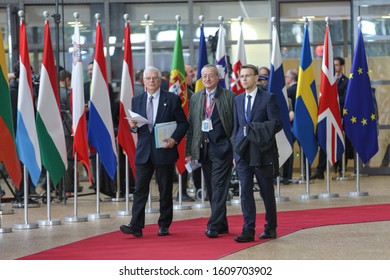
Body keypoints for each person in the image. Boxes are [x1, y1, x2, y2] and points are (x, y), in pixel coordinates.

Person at [120, 66, 188, 237]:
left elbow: (183, 124)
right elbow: (136, 127)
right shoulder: (137, 100)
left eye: (154, 78)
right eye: (148, 78)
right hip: (144, 152)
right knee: (140, 189)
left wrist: (174, 139)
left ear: (160, 80)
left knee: (164, 189)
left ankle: (164, 224)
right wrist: (133, 127)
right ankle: (135, 225)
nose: (151, 81)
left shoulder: (172, 99)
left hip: (164, 150)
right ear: (143, 81)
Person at [233, 64, 282, 242]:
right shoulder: (237, 100)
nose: (244, 79)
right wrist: (234, 153)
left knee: (266, 191)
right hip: (242, 153)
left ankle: (270, 228)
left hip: (262, 152)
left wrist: (254, 129)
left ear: (256, 78)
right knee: (245, 191)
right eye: (242, 76)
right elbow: (236, 128)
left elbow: (277, 123)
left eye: (247, 75)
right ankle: (248, 230)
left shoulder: (268, 98)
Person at [186, 64, 235, 238]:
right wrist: (189, 151)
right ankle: (222, 224)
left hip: (223, 149)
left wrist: (234, 150)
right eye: (204, 76)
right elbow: (191, 126)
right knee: (213, 189)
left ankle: (213, 225)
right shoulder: (196, 97)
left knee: (219, 186)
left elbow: (234, 126)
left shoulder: (229, 96)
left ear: (218, 78)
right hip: (203, 149)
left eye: (211, 76)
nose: (207, 79)